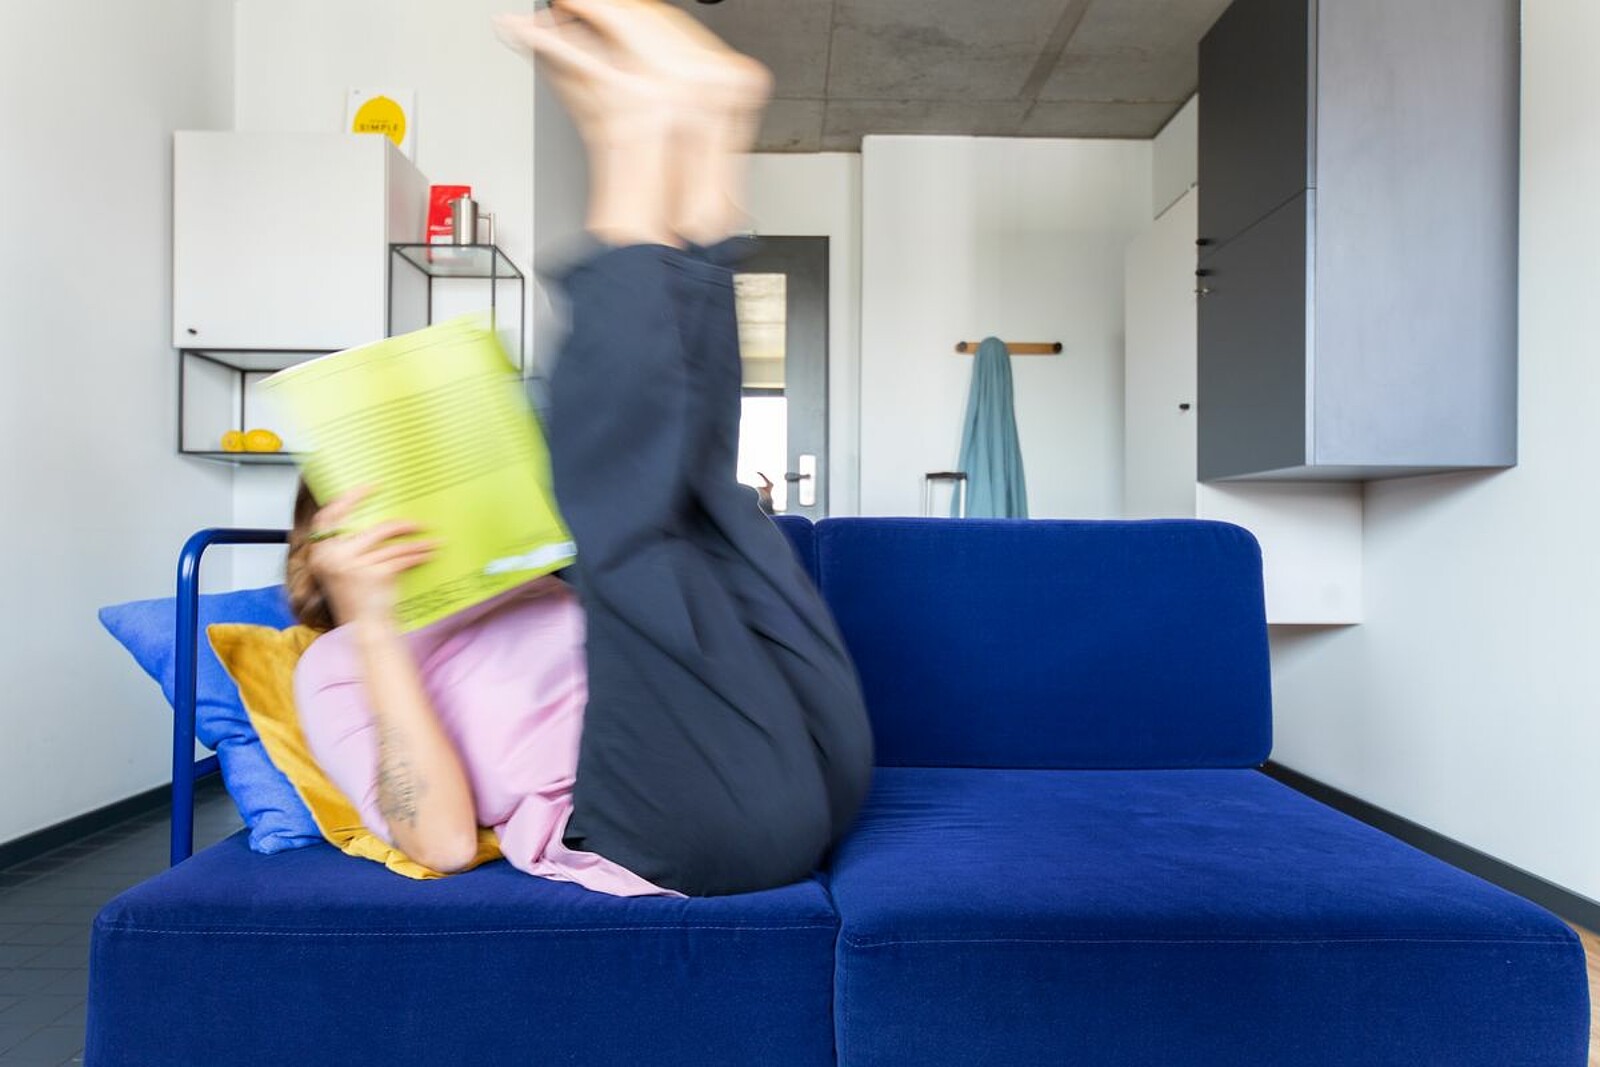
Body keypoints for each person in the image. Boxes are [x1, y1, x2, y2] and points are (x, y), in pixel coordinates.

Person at [287, 0, 875, 898]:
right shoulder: (334, 666)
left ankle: (705, 147)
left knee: (686, 495)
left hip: (808, 754)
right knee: (615, 509)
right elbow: (439, 840)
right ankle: (633, 137)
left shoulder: (539, 582)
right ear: (315, 554)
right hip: (687, 825)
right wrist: (374, 628)